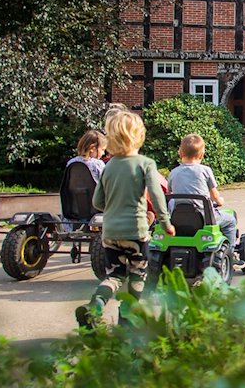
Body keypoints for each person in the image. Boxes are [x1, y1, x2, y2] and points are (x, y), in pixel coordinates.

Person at [75, 110, 173, 329]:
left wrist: (114, 207)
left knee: (115, 275)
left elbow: (97, 201)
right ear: (139, 136)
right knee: (138, 274)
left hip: (110, 233)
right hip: (136, 232)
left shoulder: (108, 166)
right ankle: (127, 321)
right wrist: (166, 223)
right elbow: (157, 197)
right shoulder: (145, 163)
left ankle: (95, 306)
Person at [167, 134, 237, 246]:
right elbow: (214, 195)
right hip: (203, 218)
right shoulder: (205, 171)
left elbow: (169, 194)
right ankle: (231, 250)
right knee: (230, 221)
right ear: (202, 155)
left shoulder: (173, 172)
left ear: (180, 153)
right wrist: (219, 201)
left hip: (178, 218)